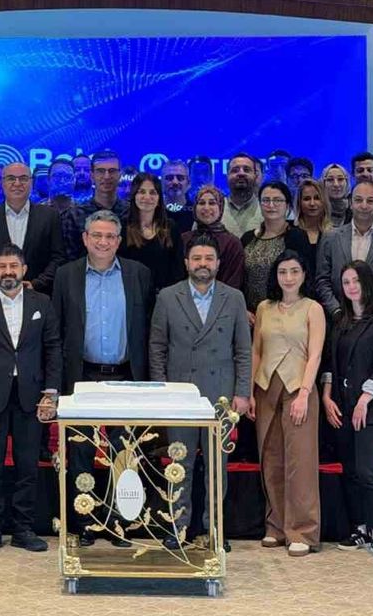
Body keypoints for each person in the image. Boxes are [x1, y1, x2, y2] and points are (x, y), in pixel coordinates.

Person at [52, 210, 155, 543]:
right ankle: (85, 521)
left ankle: (118, 521)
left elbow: (147, 328)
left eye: (110, 236)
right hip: (81, 375)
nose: (103, 242)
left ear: (119, 241)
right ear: (85, 238)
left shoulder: (138, 274)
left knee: (124, 453)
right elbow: (57, 331)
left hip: (126, 375)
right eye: (96, 235)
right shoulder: (66, 275)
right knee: (81, 451)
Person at [148, 234, 251, 549]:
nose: (202, 264)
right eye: (196, 258)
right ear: (186, 263)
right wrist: (162, 391)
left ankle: (214, 529)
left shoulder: (234, 298)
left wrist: (242, 392)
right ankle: (177, 527)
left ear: (218, 263)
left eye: (208, 258)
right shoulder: (168, 297)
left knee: (217, 467)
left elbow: (243, 350)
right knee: (180, 464)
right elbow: (157, 348)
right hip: (180, 395)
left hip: (221, 397)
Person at [0, 243, 60, 554]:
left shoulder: (42, 302)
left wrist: (51, 393)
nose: (8, 272)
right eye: (2, 267)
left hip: (32, 396)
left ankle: (23, 528)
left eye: (13, 266)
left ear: (24, 270)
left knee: (27, 465)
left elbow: (53, 349)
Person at [251, 250, 326, 556]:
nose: (289, 277)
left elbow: (315, 354)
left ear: (304, 275)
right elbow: (257, 350)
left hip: (298, 389)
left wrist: (305, 393)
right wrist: (250, 391)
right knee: (271, 460)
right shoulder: (264, 308)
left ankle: (303, 531)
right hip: (266, 387)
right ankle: (276, 526)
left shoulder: (313, 308)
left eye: (295, 271)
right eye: (283, 272)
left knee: (300, 462)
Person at [322, 260, 373, 560]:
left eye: (356, 281)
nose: (351, 287)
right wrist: (327, 397)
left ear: (367, 283)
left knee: (367, 471)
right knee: (350, 471)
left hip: (371, 408)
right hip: (342, 406)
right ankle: (360, 528)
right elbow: (330, 363)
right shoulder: (340, 321)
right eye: (346, 282)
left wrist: (365, 399)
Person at [0, 162, 66, 295]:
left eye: (23, 178)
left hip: (39, 296)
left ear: (31, 183)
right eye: (11, 178)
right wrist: (1, 285)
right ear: (3, 183)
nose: (17, 183)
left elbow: (58, 257)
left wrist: (37, 284)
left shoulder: (50, 216)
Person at [314, 181, 373, 316]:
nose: (364, 206)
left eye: (370, 201)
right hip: (337, 317)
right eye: (358, 200)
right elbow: (322, 280)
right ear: (350, 203)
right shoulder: (330, 238)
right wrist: (336, 311)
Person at [240, 182, 310, 319]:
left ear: (287, 205)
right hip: (250, 316)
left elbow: (305, 278)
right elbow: (240, 278)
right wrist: (242, 310)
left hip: (287, 314)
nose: (271, 205)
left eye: (277, 200)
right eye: (266, 200)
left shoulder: (297, 237)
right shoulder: (247, 238)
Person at [115, 172, 184, 292]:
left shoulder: (171, 228)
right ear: (134, 196)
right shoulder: (121, 227)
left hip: (163, 296)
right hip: (131, 295)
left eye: (152, 192)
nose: (147, 197)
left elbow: (178, 269)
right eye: (142, 192)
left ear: (159, 198)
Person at [60, 151, 130, 260]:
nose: (106, 176)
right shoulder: (74, 215)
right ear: (92, 175)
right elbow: (69, 260)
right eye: (100, 171)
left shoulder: (131, 213)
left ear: (119, 175)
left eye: (112, 171)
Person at [181, 185, 245, 290]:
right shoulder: (184, 239)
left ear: (220, 208)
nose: (206, 208)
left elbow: (233, 281)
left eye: (212, 203)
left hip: (223, 298)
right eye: (201, 203)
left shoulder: (232, 243)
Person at [222, 153, 264, 237]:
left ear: (255, 176)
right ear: (227, 176)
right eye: (235, 170)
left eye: (246, 170)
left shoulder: (267, 208)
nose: (241, 173)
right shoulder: (214, 208)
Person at [293, 178, 332, 267]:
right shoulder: (291, 233)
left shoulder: (334, 235)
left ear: (324, 202)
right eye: (307, 199)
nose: (312, 203)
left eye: (317, 198)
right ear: (299, 203)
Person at [160, 160, 195, 231]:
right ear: (161, 182)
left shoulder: (196, 213)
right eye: (169, 178)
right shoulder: (153, 211)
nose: (175, 182)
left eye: (180, 178)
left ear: (188, 183)